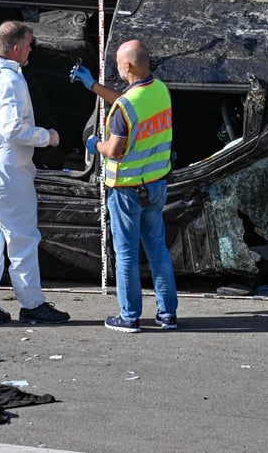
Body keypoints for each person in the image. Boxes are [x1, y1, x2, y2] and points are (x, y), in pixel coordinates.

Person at [0, 21, 70, 328]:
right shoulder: (10, 80)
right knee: (22, 238)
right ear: (18, 48)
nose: (32, 49)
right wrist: (47, 136)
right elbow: (12, 130)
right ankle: (32, 304)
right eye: (30, 44)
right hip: (6, 171)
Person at [70, 40, 178, 333]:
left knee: (127, 252)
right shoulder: (159, 90)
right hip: (155, 186)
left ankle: (129, 317)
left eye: (118, 62)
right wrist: (93, 86)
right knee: (157, 249)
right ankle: (167, 315)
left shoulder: (124, 109)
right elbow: (128, 101)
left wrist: (95, 145)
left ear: (127, 66)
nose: (117, 66)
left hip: (126, 190)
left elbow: (115, 148)